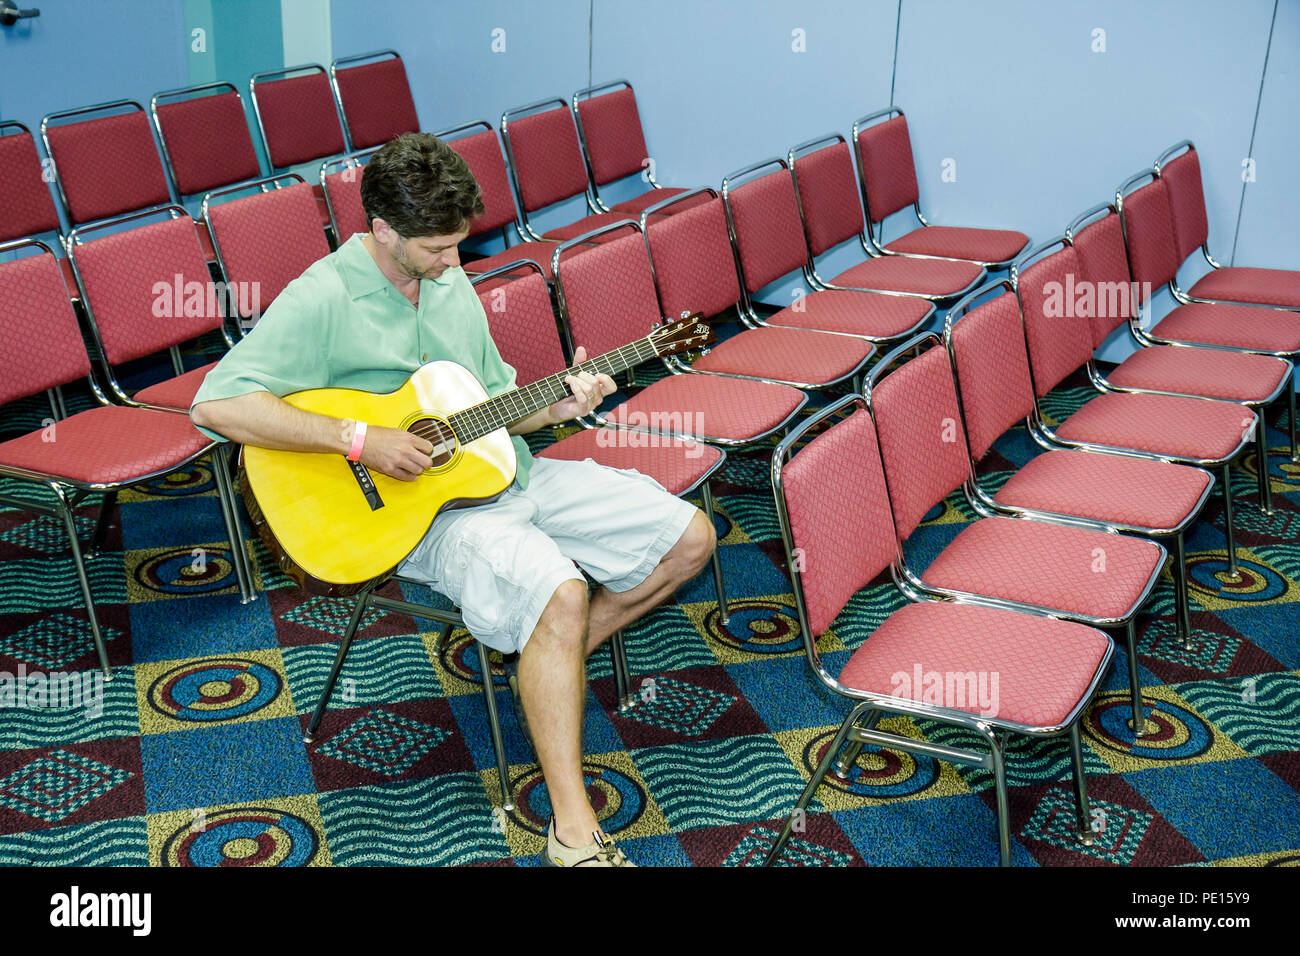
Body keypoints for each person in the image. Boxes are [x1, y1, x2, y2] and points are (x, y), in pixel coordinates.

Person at [190, 132, 715, 867]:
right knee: (560, 595)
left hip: (507, 471)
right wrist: (359, 441)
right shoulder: (322, 296)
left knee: (690, 538)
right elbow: (216, 406)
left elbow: (495, 403)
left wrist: (565, 403)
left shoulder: (447, 278)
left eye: (458, 246)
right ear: (382, 229)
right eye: (438, 249)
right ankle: (572, 832)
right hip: (421, 516)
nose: (453, 264)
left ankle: (545, 661)